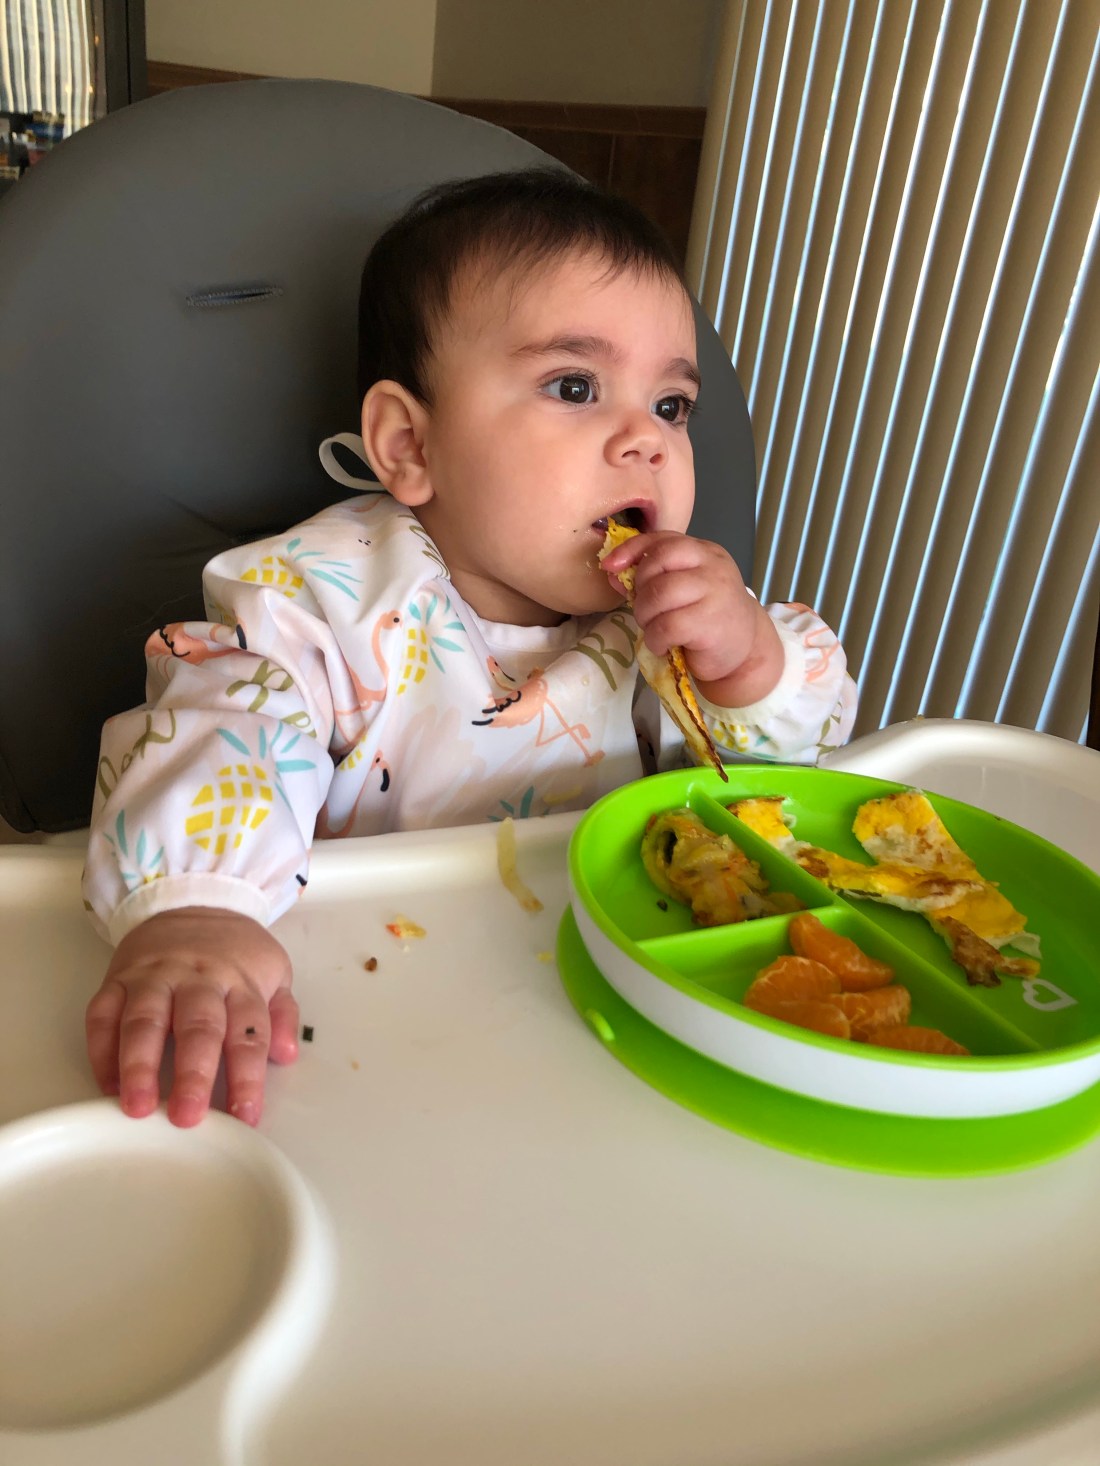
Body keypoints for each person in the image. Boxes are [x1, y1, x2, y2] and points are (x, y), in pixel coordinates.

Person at [82, 168, 858, 1129]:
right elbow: (222, 720)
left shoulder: (661, 624)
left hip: (604, 1009)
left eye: (671, 405)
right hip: (375, 1023)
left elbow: (785, 778)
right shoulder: (328, 599)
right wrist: (200, 909)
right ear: (410, 446)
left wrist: (746, 662)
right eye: (575, 387)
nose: (648, 442)